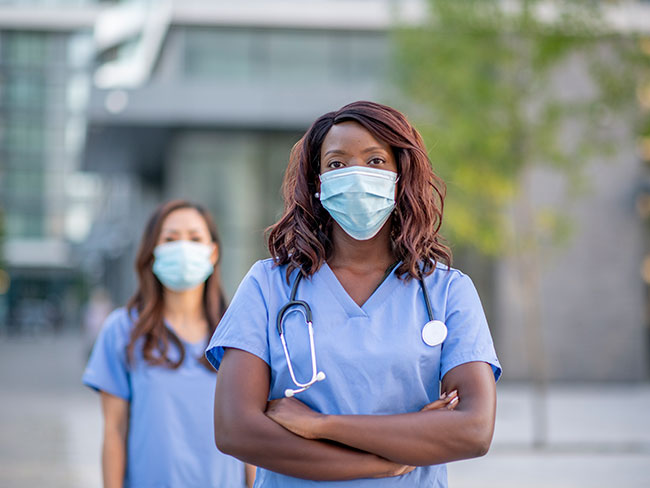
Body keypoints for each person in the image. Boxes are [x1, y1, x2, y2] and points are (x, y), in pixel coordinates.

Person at [206, 101, 502, 487]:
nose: (357, 175)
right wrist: (383, 461)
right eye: (337, 164)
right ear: (317, 184)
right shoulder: (269, 285)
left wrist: (319, 424)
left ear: (401, 175)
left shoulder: (448, 291)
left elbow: (473, 431)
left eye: (375, 161)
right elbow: (236, 430)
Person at [83, 200, 251, 488]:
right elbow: (114, 431)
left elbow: (251, 435)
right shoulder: (122, 330)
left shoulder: (240, 332)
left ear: (213, 253)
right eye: (170, 239)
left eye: (195, 238)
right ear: (152, 252)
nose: (183, 248)